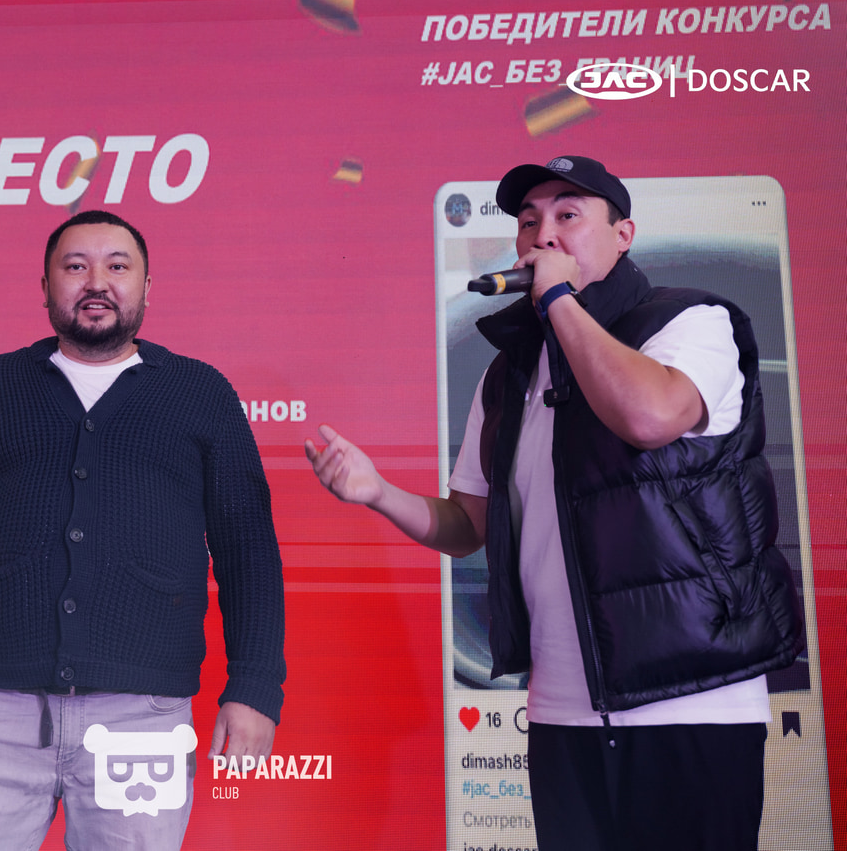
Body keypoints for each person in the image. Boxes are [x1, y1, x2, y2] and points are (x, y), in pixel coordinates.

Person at [305, 156, 803, 851]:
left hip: (691, 702)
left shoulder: (692, 320)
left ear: (624, 234)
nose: (543, 234)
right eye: (529, 221)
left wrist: (559, 301)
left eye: (568, 215)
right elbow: (467, 525)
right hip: (561, 711)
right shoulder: (508, 374)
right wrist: (378, 493)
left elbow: (649, 415)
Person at [0, 210, 285, 849]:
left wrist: (254, 686)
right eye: (76, 266)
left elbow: (248, 549)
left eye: (118, 266)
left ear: (146, 287)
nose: (97, 282)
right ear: (46, 286)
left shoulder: (200, 394)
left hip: (143, 720)